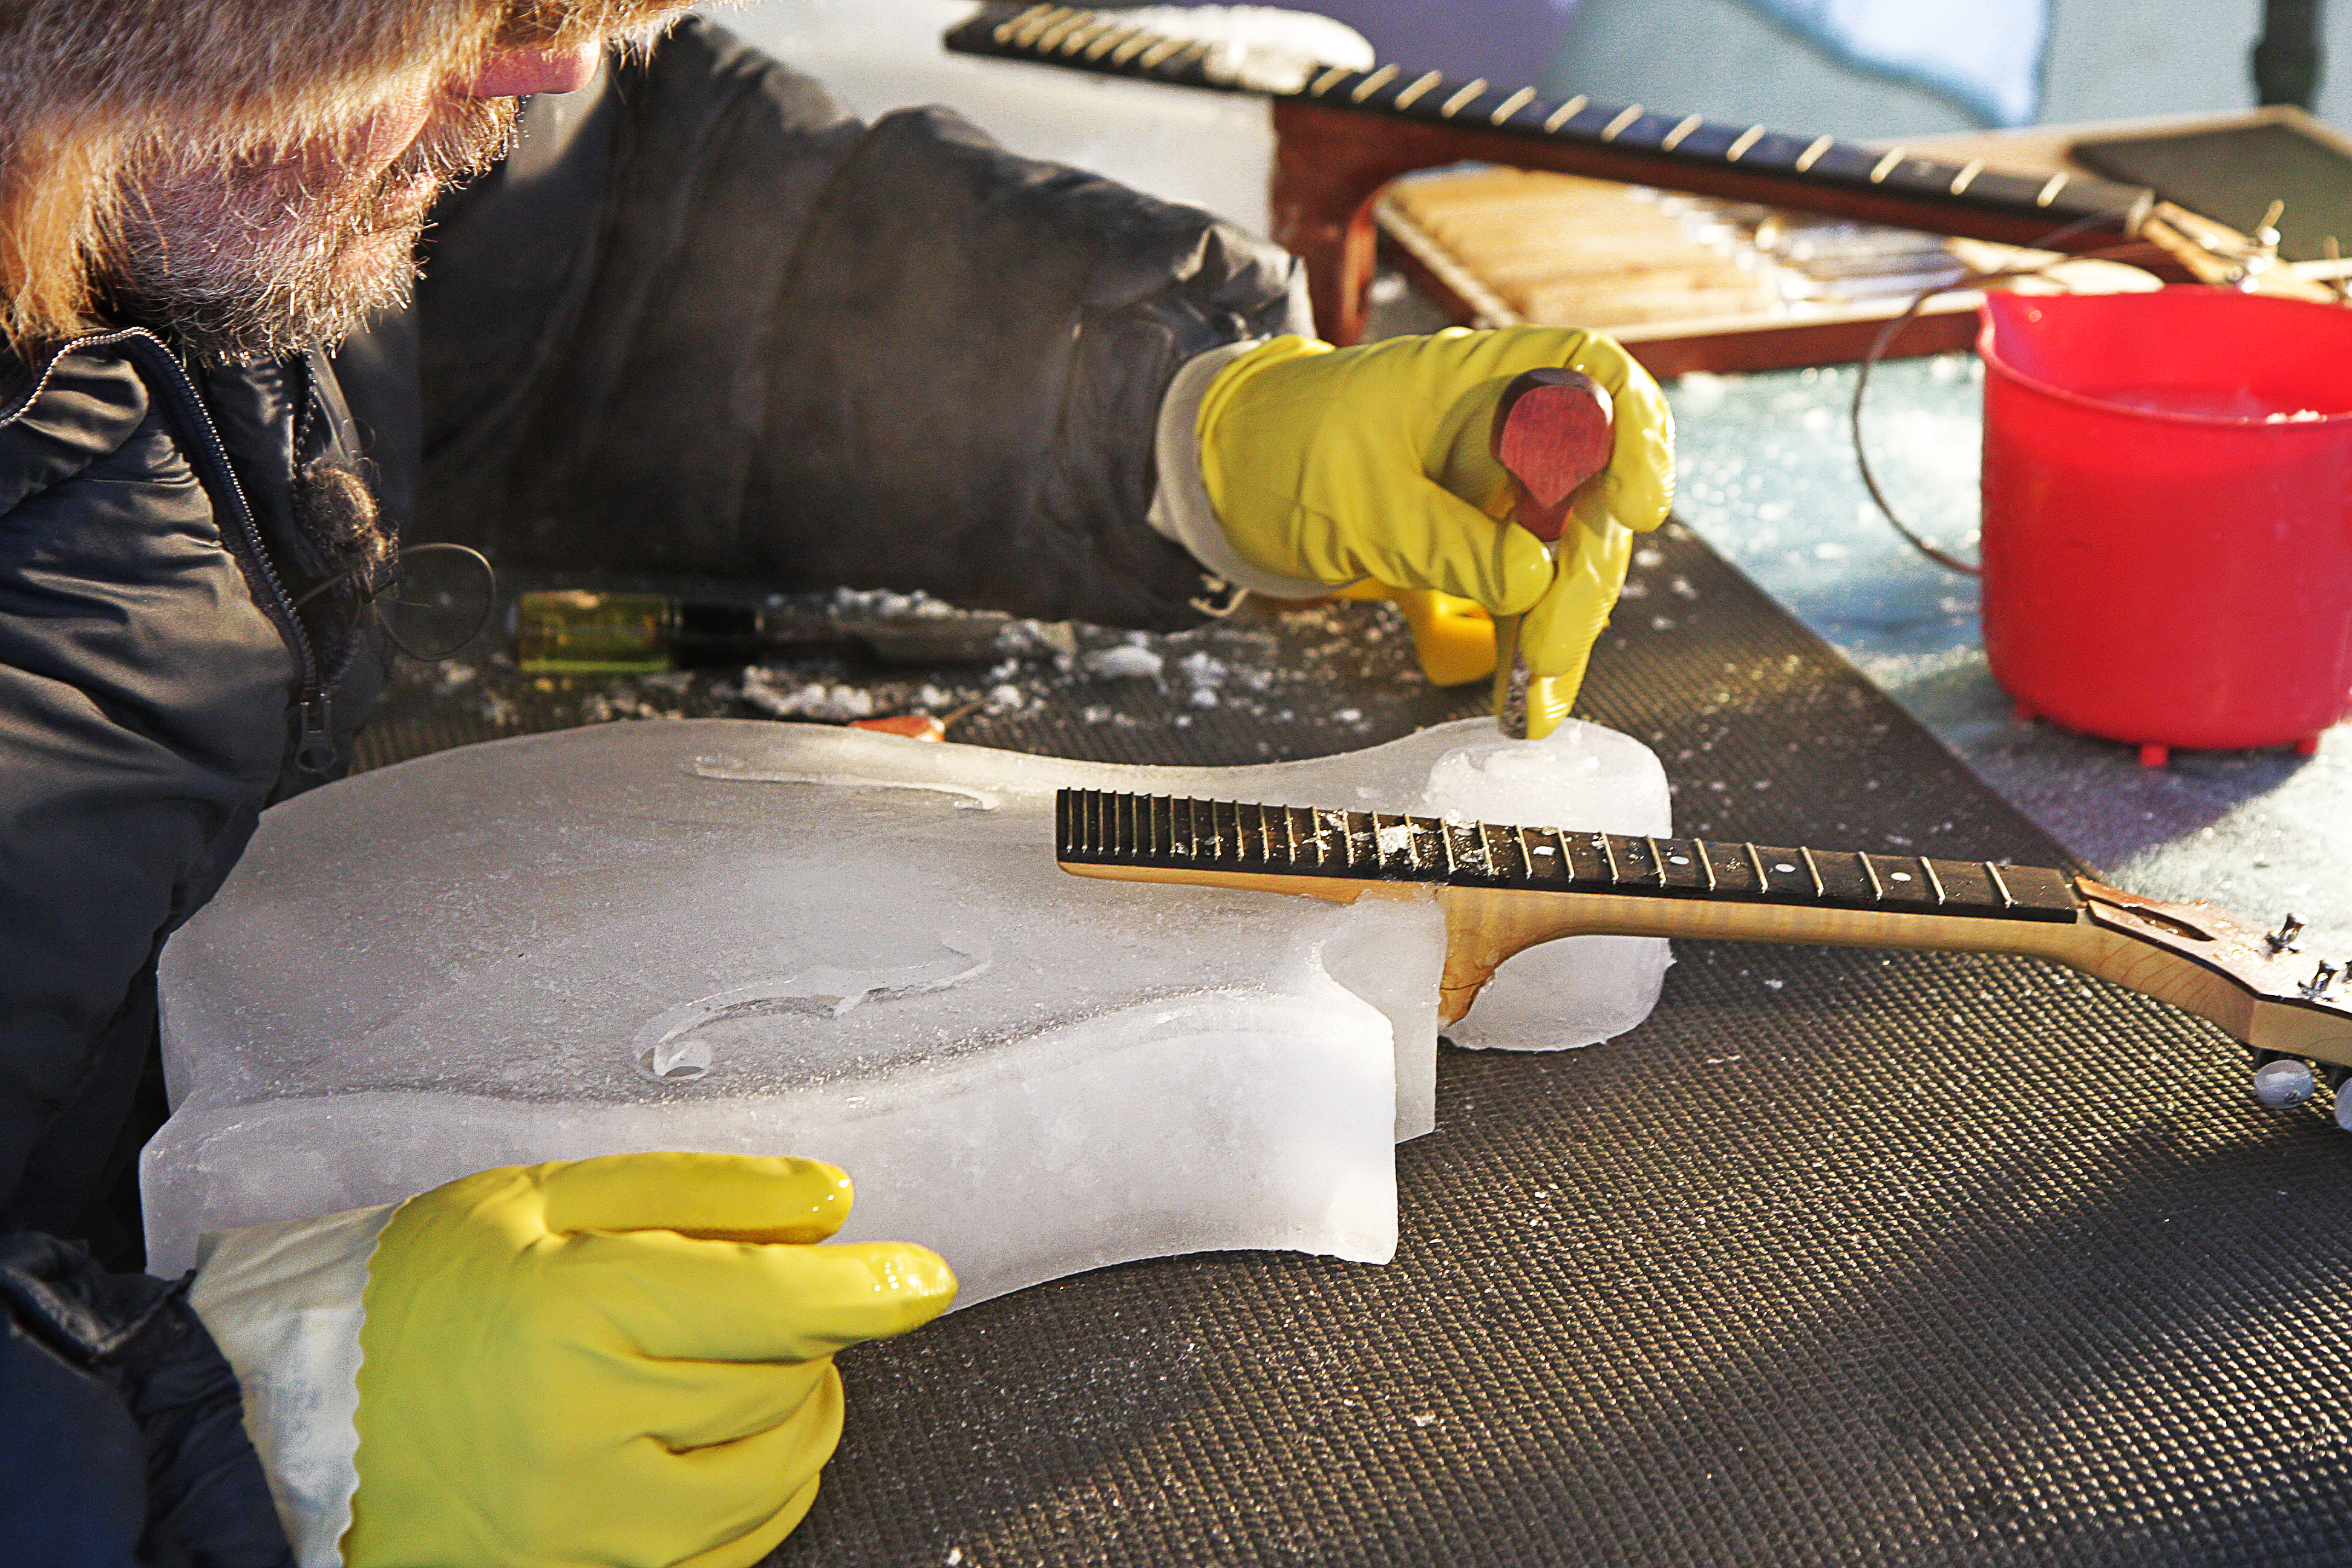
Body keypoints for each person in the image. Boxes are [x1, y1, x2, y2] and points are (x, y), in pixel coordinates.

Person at [0, 1, 1674, 1562]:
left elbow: (594, 256)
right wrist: (186, 1446)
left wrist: (1165, 424)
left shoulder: (195, 130)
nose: (547, 75)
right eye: (495, 14)